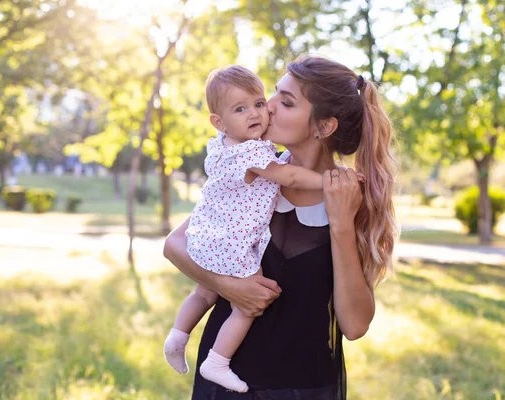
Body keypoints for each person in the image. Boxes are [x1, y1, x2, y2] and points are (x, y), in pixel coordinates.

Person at [163, 55, 398, 400]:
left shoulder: (350, 195)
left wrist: (341, 225)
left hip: (304, 387)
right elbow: (175, 245)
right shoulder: (252, 176)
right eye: (273, 95)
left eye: (285, 102)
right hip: (224, 381)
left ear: (325, 126)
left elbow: (355, 325)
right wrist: (229, 286)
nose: (267, 108)